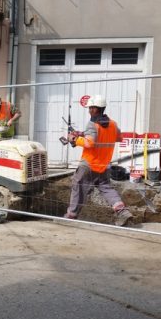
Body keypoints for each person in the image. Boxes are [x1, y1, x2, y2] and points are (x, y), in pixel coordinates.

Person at [64, 95, 134, 226]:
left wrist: (74, 139)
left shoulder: (92, 124)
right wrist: (84, 133)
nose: (89, 110)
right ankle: (122, 211)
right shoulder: (113, 124)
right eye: (89, 108)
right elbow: (119, 138)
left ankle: (71, 216)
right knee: (106, 188)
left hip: (89, 164)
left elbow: (90, 143)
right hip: (103, 164)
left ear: (97, 109)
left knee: (78, 186)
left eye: (91, 108)